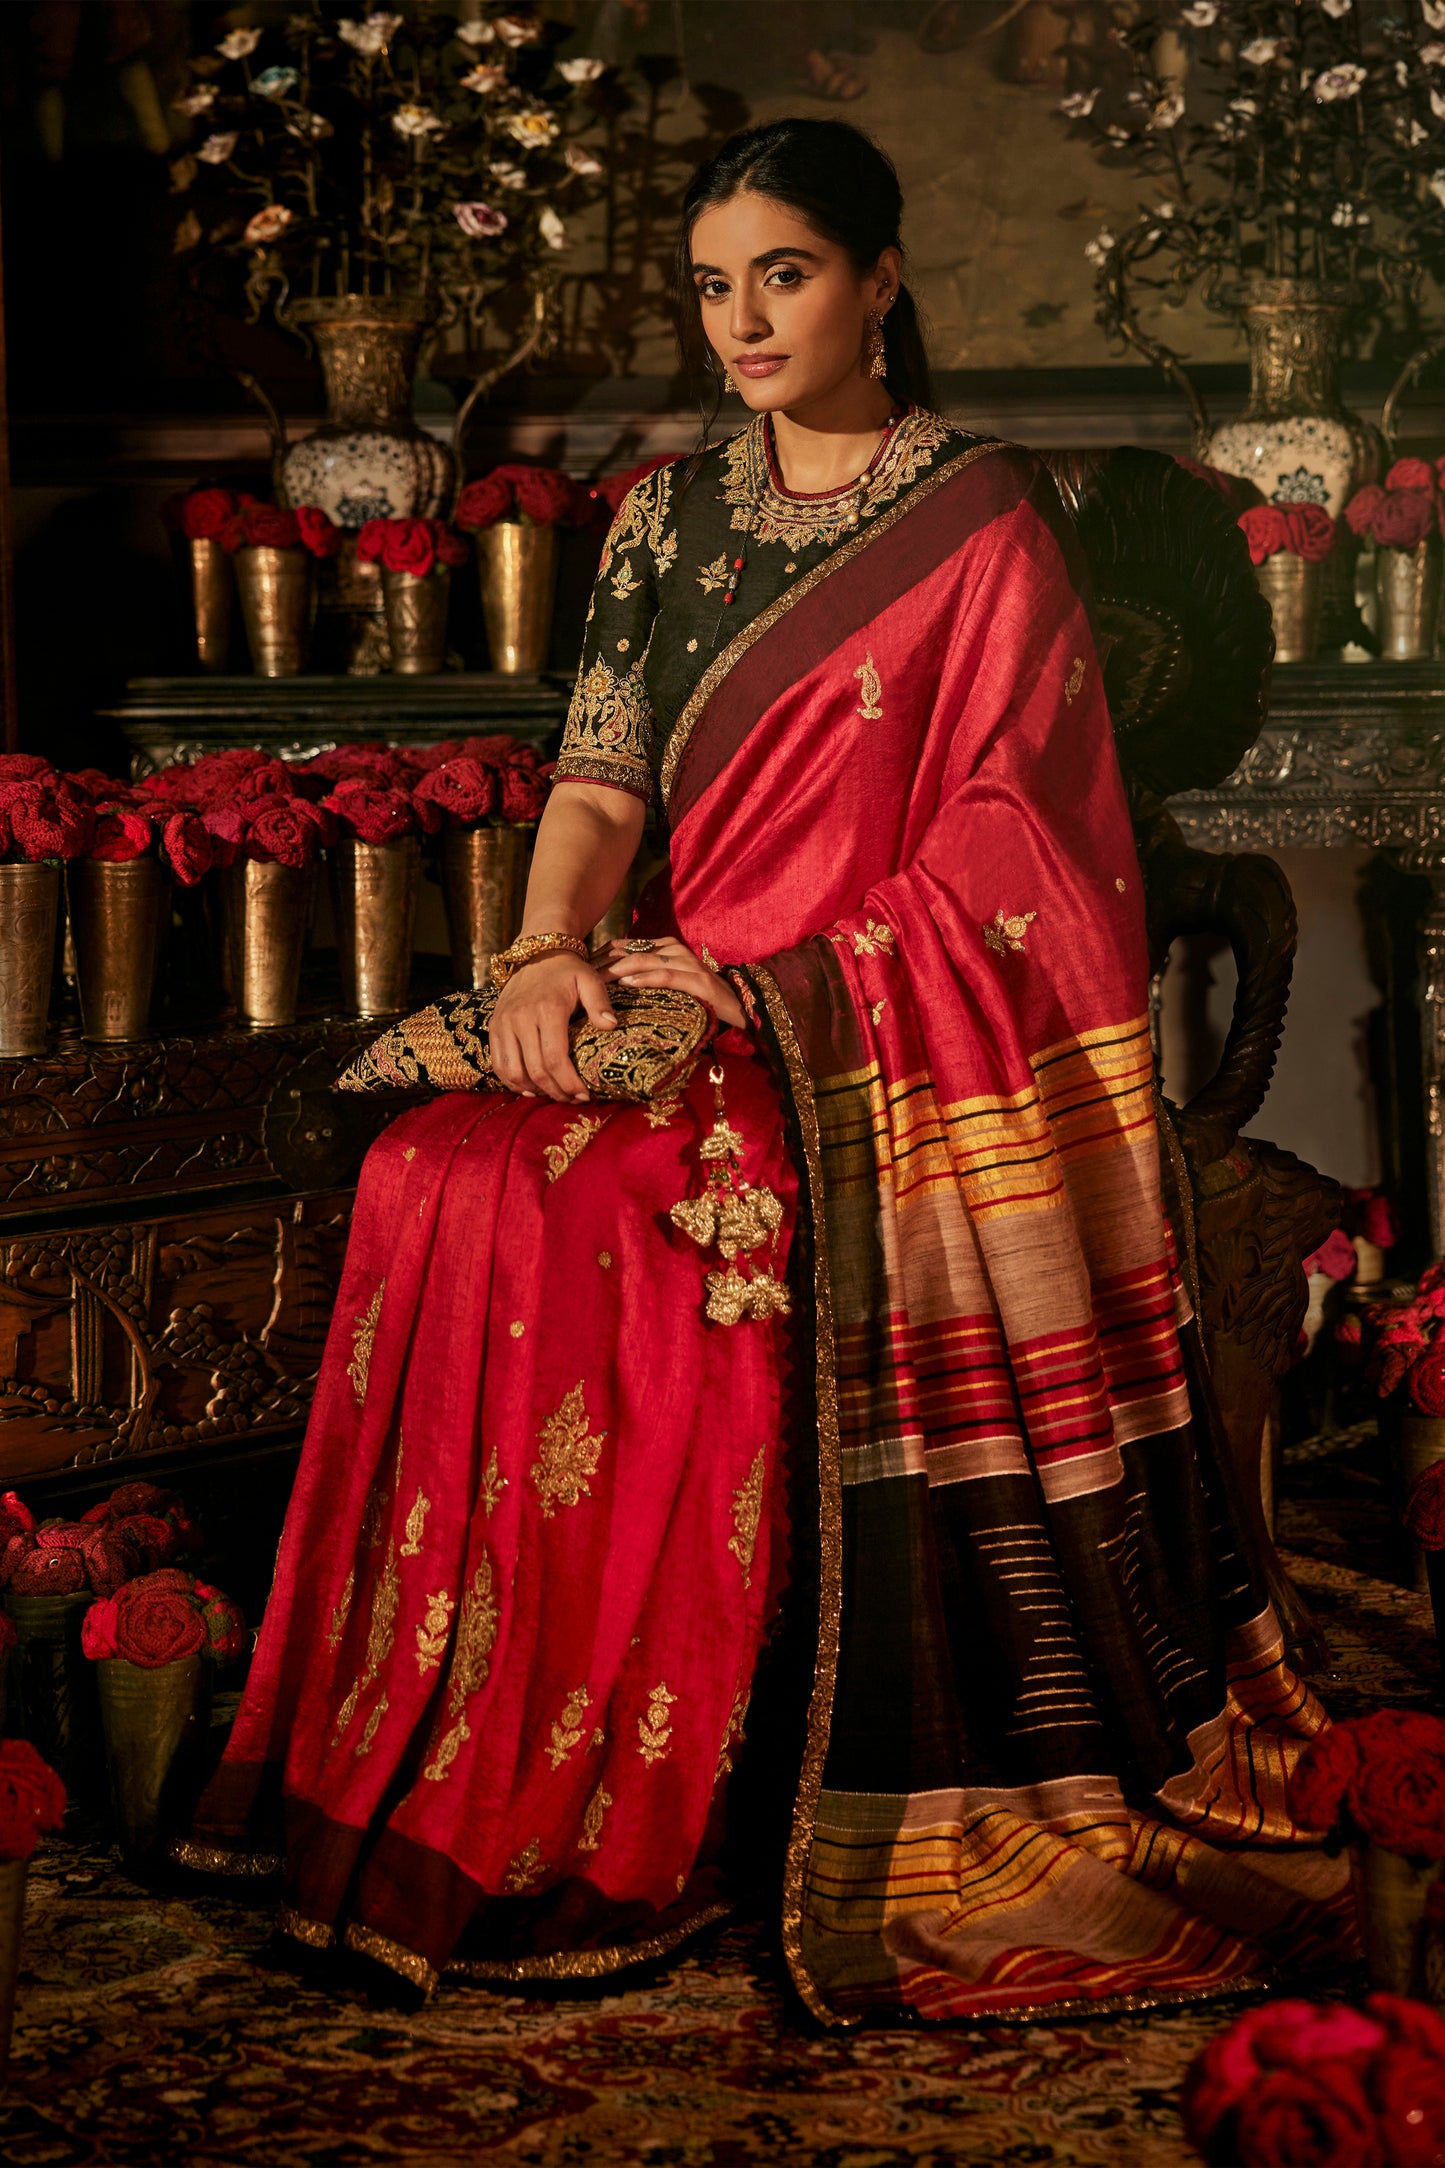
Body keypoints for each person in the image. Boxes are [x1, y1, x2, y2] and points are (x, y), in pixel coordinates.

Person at [183, 117, 1351, 2026]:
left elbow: (1021, 849)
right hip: (664, 979)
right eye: (713, 285)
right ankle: (428, 1764)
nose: (741, 318)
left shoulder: (978, 520)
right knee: (437, 1163)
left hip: (846, 1038)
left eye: (781, 275)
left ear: (881, 281)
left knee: (605, 1194)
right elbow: (600, 773)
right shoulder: (662, 515)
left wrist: (777, 991)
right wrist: (549, 957)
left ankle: (631, 1795)